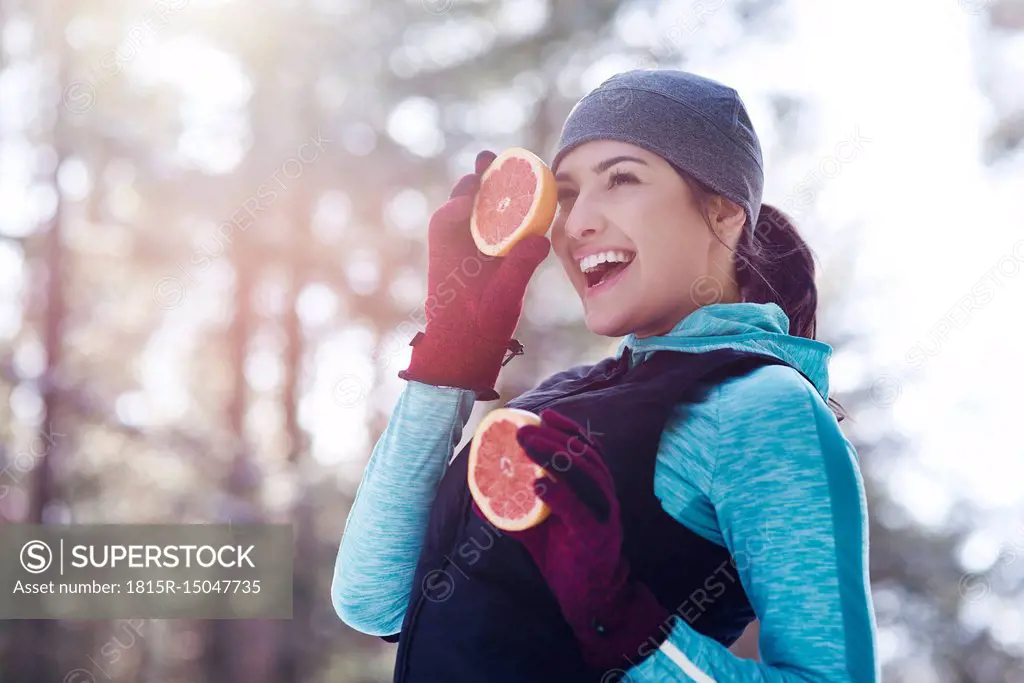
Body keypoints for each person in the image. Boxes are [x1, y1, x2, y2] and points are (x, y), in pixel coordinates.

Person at [332, 69, 879, 682]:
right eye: (565, 195)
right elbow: (373, 600)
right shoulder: (560, 400)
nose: (576, 222)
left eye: (622, 179)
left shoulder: (761, 406)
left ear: (725, 213)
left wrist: (624, 627)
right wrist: (447, 366)